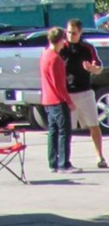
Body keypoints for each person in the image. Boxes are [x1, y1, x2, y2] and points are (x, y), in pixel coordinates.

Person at [63, 19, 108, 168]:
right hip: (67, 93)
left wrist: (92, 69)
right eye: (68, 32)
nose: (70, 36)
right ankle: (64, 159)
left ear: (80, 33)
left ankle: (100, 156)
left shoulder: (87, 48)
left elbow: (99, 67)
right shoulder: (61, 47)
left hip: (85, 92)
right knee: (66, 129)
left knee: (94, 125)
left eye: (74, 33)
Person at [39, 27, 78, 174]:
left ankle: (53, 163)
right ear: (60, 40)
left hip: (48, 99)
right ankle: (64, 164)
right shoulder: (55, 59)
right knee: (64, 132)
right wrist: (68, 101)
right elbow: (59, 84)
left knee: (53, 132)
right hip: (57, 100)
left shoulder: (45, 55)